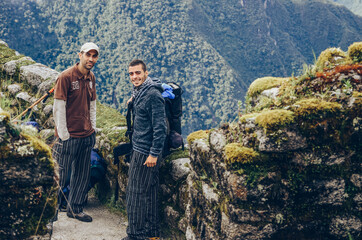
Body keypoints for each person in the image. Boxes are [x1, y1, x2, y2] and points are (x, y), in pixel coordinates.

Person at [52, 42, 99, 222]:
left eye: (94, 56)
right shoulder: (65, 77)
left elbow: (92, 105)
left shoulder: (91, 78)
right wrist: (64, 135)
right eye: (88, 55)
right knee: (60, 176)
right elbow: (58, 108)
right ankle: (49, 215)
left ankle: (75, 208)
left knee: (81, 175)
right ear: (80, 55)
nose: (91, 59)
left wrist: (92, 128)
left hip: (86, 135)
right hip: (68, 137)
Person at [122, 59, 167, 240]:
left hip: (145, 151)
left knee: (135, 193)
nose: (134, 77)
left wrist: (153, 154)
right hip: (140, 148)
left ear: (146, 73)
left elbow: (160, 128)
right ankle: (152, 232)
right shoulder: (141, 91)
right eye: (131, 74)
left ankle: (136, 234)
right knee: (150, 192)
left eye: (138, 73)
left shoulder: (153, 95)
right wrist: (132, 103)